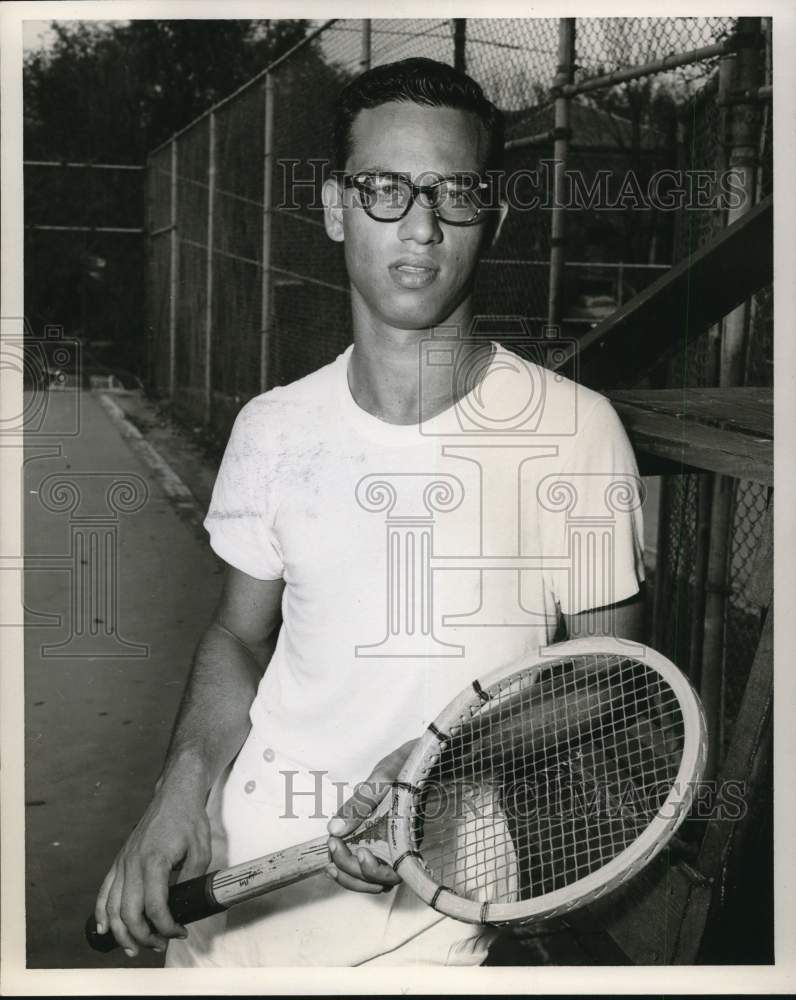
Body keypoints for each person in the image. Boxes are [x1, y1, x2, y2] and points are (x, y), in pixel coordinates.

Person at [93, 56, 646, 967]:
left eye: (454, 193)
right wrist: (179, 793)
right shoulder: (273, 427)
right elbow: (237, 638)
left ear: (493, 217)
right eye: (386, 188)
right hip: (233, 889)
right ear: (334, 207)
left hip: (436, 908)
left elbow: (609, 679)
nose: (420, 227)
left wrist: (433, 766)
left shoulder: (577, 433)